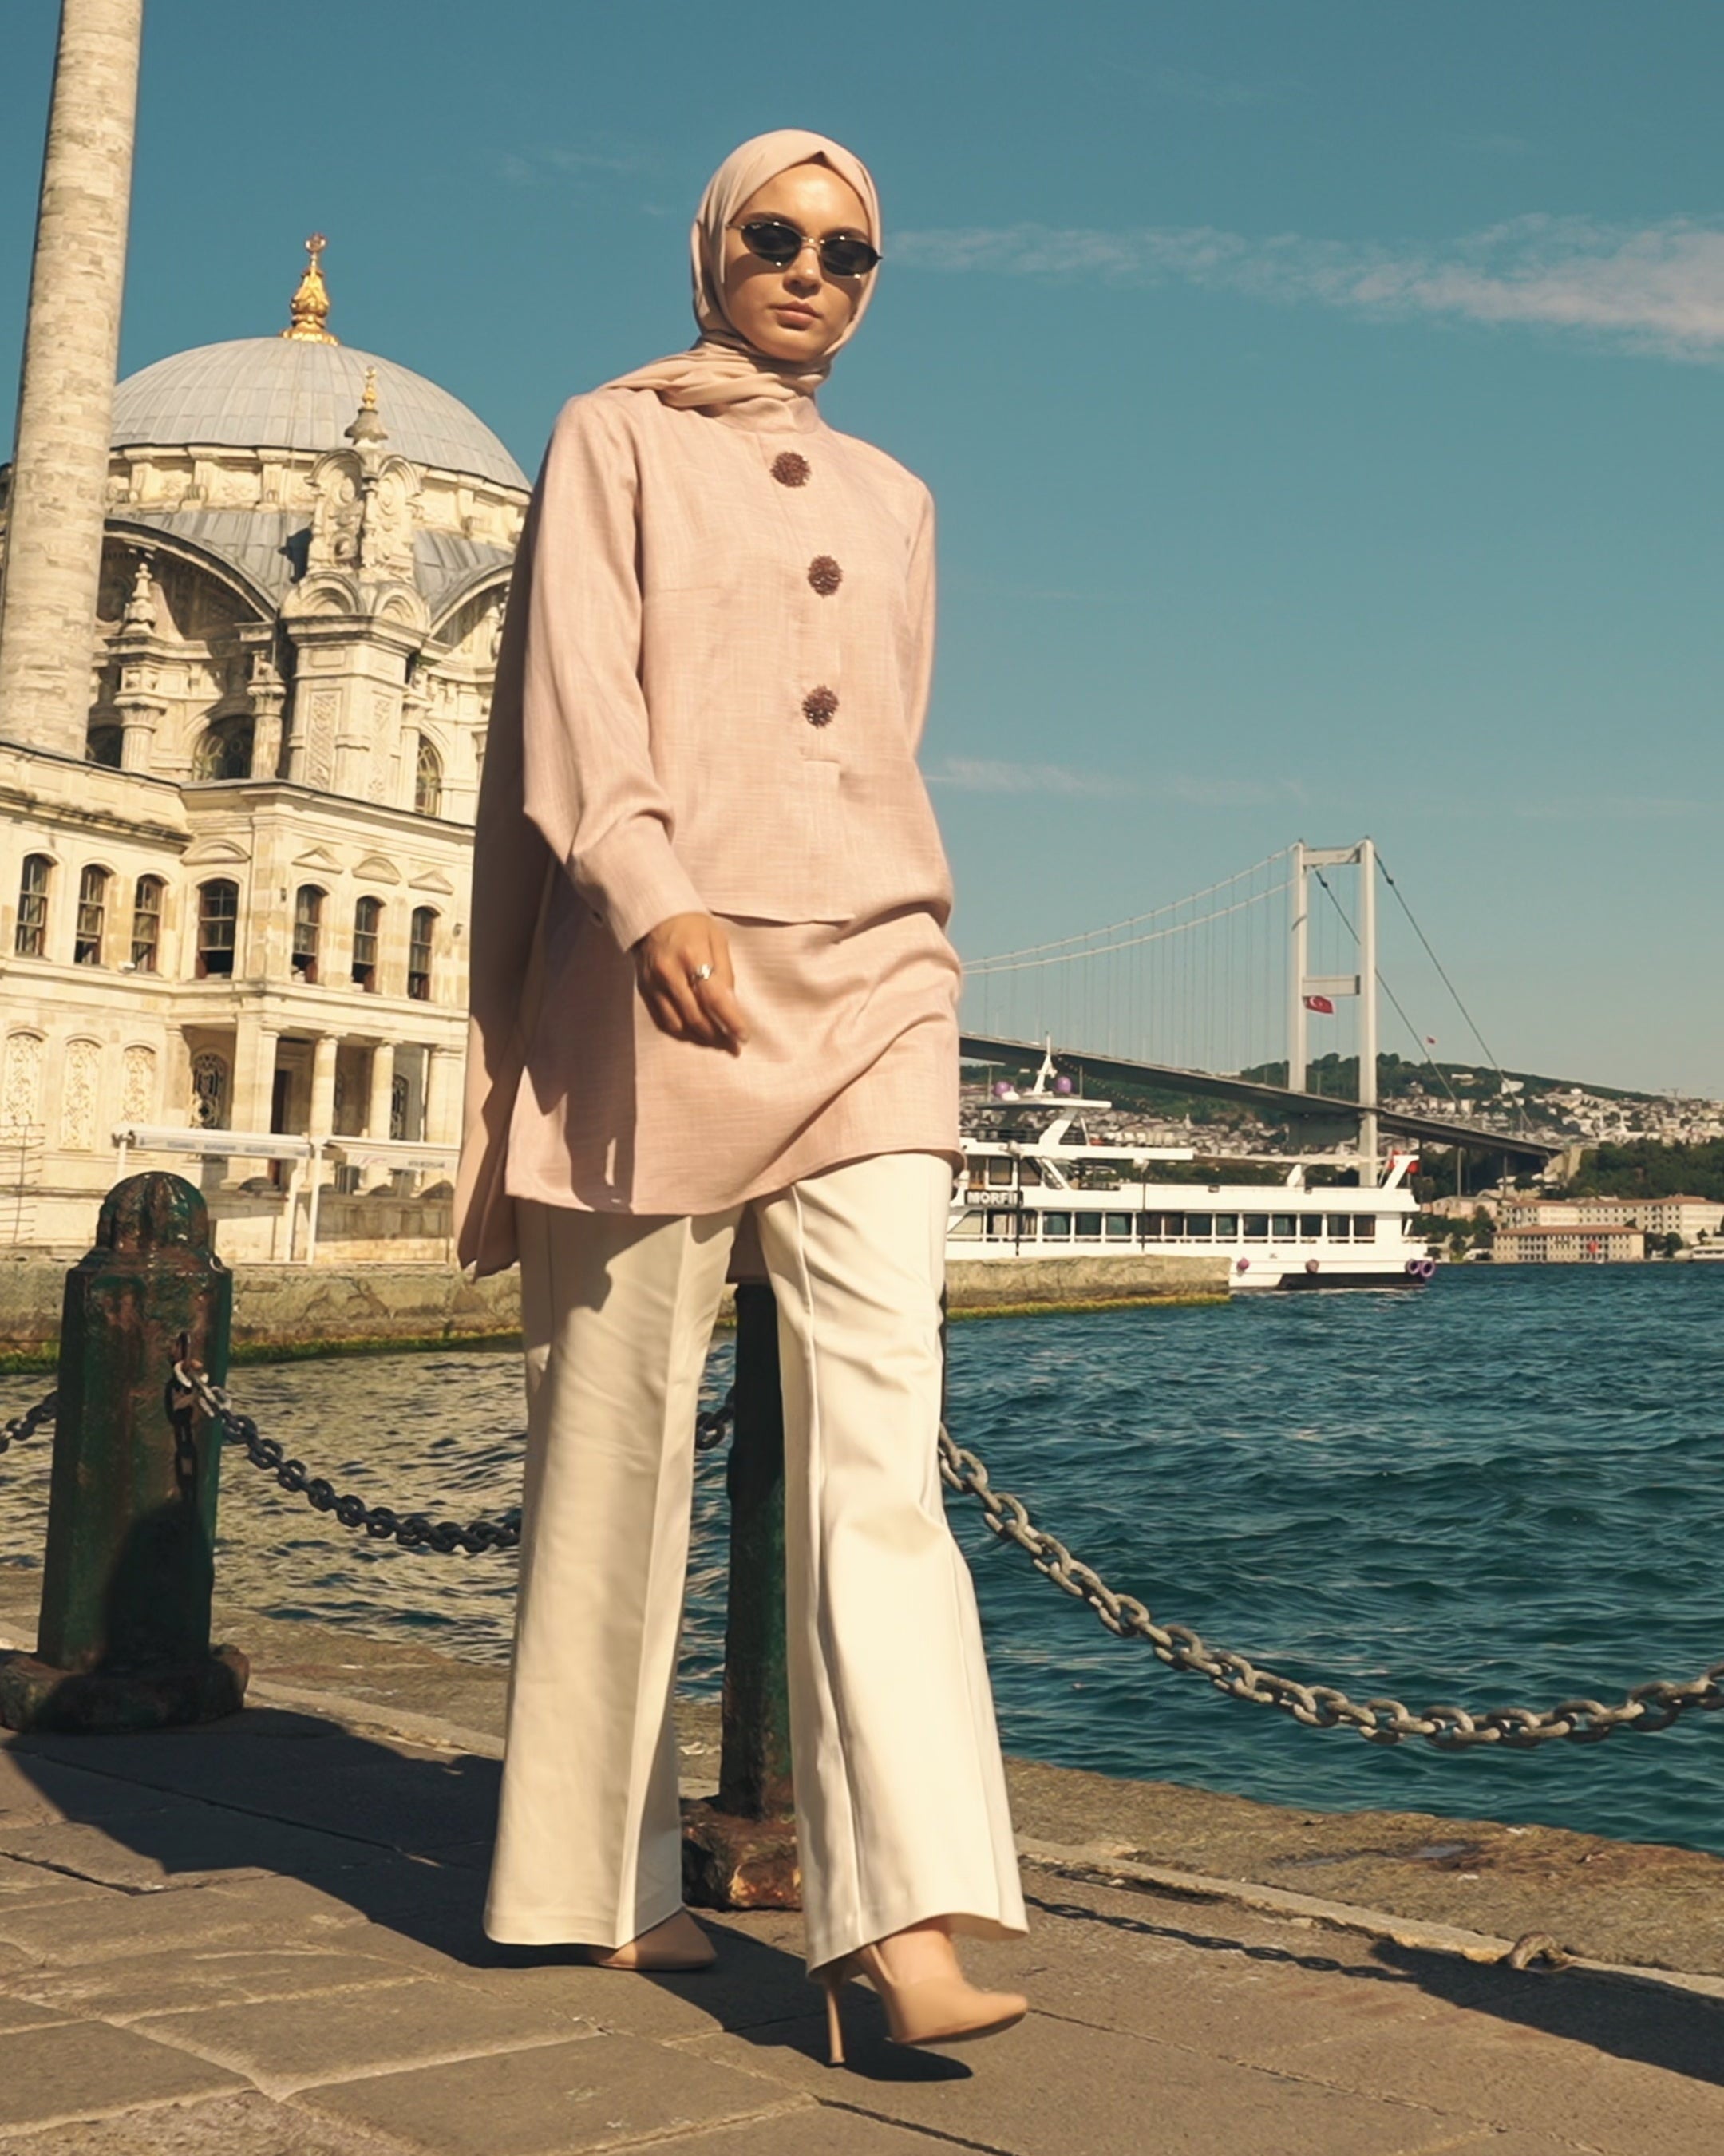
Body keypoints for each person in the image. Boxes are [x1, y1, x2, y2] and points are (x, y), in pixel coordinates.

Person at [456, 127, 1028, 2067]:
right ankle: (589, 1883)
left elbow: (881, 731)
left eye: (850, 251)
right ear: (706, 251)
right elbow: (574, 689)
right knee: (611, 1441)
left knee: (882, 1448)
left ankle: (909, 1915)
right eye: (774, 238)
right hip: (660, 967)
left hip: (878, 970)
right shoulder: (605, 435)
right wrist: (642, 885)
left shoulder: (903, 494)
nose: (811, 269)